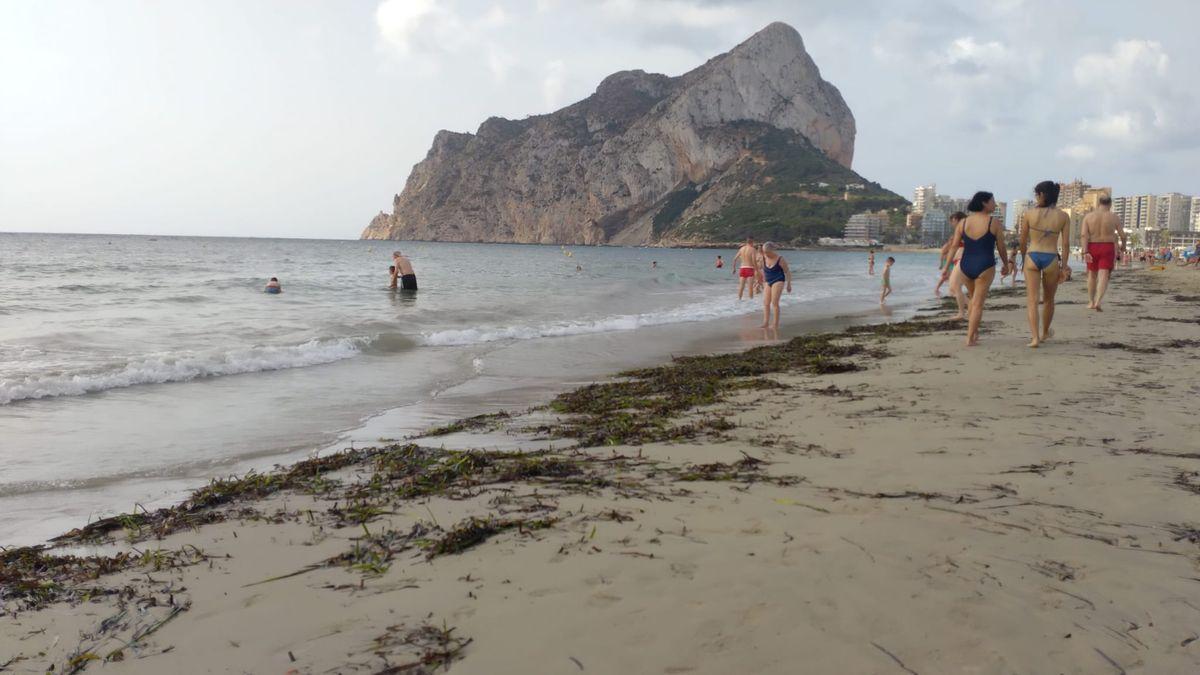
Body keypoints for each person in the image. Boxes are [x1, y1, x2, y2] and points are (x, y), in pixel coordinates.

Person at [946, 192, 1011, 347]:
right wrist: (1006, 264)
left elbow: (954, 246)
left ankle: (974, 333)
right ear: (984, 203)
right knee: (977, 304)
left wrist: (946, 266)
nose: (995, 204)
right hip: (985, 265)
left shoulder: (963, 223)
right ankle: (969, 338)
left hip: (966, 265)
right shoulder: (993, 222)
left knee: (973, 300)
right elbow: (1001, 247)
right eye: (993, 201)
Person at [1018, 181, 1070, 348]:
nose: (1035, 197)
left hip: (1032, 256)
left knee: (1032, 300)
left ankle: (1034, 338)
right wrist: (1064, 267)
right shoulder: (1063, 216)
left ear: (1042, 194)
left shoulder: (1029, 214)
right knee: (1048, 299)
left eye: (1037, 194)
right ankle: (1045, 331)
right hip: (1051, 258)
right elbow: (1066, 244)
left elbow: (1022, 241)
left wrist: (1023, 257)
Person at [1080, 195, 1126, 311]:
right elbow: (1123, 235)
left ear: (1098, 204)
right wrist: (1123, 247)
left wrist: (1085, 251)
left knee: (1091, 274)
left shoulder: (1088, 217)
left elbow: (1084, 235)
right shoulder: (1114, 217)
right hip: (1107, 247)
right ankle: (1098, 301)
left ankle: (1091, 301)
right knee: (1104, 275)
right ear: (1110, 204)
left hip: (1092, 246)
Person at [936, 212, 969, 319]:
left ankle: (961, 313)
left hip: (962, 260)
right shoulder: (968, 229)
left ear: (955, 219)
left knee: (954, 287)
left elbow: (954, 247)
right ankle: (971, 308)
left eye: (952, 221)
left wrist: (945, 267)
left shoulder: (962, 230)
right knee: (955, 287)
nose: (952, 224)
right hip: (963, 260)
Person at [759, 242, 792, 329]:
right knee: (766, 303)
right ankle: (765, 322)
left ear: (772, 250)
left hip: (778, 280)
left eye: (767, 252)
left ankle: (775, 324)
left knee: (774, 302)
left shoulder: (780, 259)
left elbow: (787, 272)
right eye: (764, 252)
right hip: (768, 281)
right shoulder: (763, 258)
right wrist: (759, 281)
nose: (765, 254)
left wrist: (789, 284)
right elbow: (762, 270)